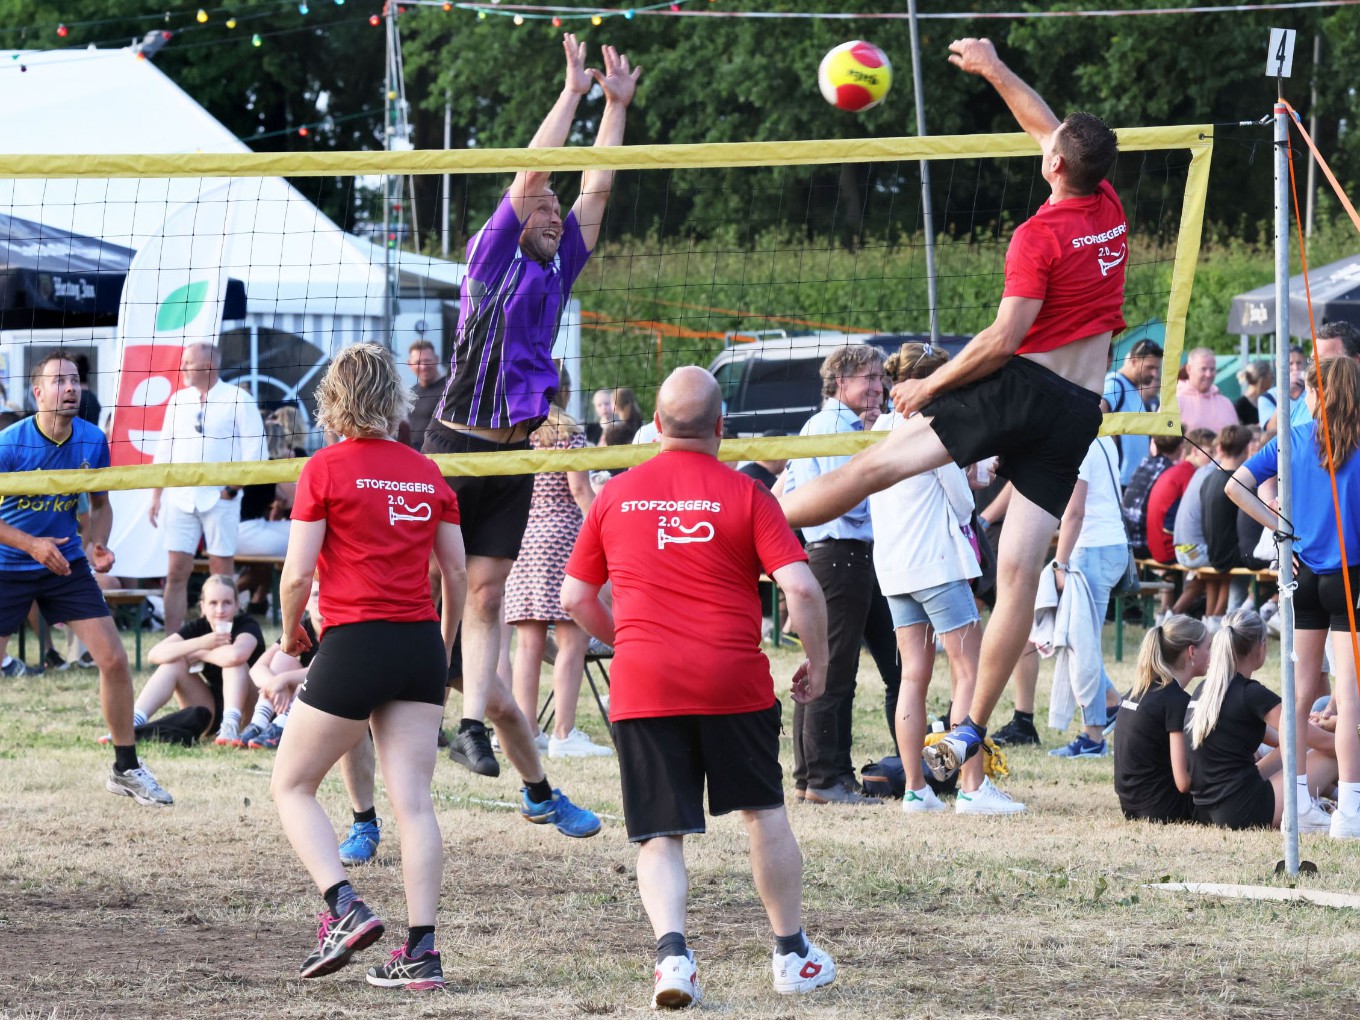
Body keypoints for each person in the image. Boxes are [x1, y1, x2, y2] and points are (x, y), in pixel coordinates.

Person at [781, 38, 1126, 785]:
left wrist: (928, 388)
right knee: (1018, 572)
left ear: (1057, 167)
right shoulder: (1107, 203)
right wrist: (995, 69)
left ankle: (760, 526)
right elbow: (1046, 126)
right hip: (1078, 410)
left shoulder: (1039, 235)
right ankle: (970, 729)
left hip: (1021, 389)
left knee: (873, 466)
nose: (1046, 141)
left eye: (1052, 146)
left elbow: (1004, 339)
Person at [560, 366, 837, 1008]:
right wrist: (816, 663)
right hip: (731, 680)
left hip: (643, 681)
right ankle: (791, 954)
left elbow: (575, 597)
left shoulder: (615, 494)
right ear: (721, 427)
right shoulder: (747, 493)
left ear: (655, 425)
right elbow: (800, 586)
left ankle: (673, 960)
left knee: (660, 833)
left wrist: (625, 636)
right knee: (764, 814)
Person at [420, 35, 639, 786]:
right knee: (429, 587)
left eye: (555, 207)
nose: (552, 210)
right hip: (453, 444)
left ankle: (471, 726)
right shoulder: (493, 256)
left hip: (514, 455)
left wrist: (615, 108)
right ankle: (408, 690)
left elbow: (597, 191)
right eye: (542, 204)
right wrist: (574, 94)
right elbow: (534, 171)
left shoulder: (560, 264)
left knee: (487, 592)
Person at [269, 343, 467, 989]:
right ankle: (423, 953)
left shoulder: (323, 468)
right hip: (417, 645)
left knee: (291, 785)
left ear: (333, 399)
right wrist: (443, 640)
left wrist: (289, 635)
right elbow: (456, 571)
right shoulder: (425, 471)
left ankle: (343, 907)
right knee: (413, 802)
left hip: (355, 641)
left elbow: (298, 573)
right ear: (395, 399)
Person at [0, 351, 172, 805]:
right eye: (59, 381)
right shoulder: (11, 443)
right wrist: (33, 546)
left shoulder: (94, 440)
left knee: (114, 660)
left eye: (75, 380)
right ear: (37, 393)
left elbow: (99, 506)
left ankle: (126, 768)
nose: (71, 388)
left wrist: (96, 545)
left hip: (67, 564)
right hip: (9, 563)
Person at [868, 343, 1020, 814]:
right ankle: (973, 788)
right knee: (968, 672)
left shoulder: (880, 424)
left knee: (912, 676)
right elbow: (961, 502)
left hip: (893, 566)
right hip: (935, 562)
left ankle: (916, 789)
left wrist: (965, 471)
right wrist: (972, 474)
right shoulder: (933, 421)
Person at [1230, 356, 1360, 839]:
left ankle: (1302, 799)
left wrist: (1282, 531)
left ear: (1315, 394)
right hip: (1347, 578)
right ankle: (1348, 809)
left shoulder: (1295, 439)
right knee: (1346, 697)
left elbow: (1235, 485)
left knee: (1303, 694)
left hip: (1305, 575)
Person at [783, 344, 887, 806]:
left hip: (831, 556)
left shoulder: (825, 424)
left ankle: (812, 777)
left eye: (880, 378)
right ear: (840, 382)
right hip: (840, 555)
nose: (878, 387)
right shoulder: (837, 428)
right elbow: (855, 500)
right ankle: (827, 779)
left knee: (822, 666)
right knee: (834, 669)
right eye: (868, 377)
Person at [504, 369, 609, 757]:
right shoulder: (568, 432)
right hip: (562, 536)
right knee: (572, 638)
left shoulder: (517, 432)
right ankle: (564, 733)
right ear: (563, 388)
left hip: (522, 539)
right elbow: (580, 490)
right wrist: (605, 533)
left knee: (528, 642)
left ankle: (528, 732)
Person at [149, 342, 268, 634]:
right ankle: (172, 645)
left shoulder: (238, 399)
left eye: (188, 362)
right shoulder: (178, 400)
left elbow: (257, 453)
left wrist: (231, 490)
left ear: (208, 366)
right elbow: (164, 450)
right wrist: (156, 496)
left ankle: (223, 639)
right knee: (176, 572)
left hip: (220, 498)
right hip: (181, 496)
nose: (182, 368)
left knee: (222, 574)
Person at [1186, 609, 1334, 830]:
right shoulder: (1251, 694)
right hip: (1246, 810)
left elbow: (1285, 740)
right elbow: (1323, 743)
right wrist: (1348, 734)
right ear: (1260, 647)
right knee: (1335, 755)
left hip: (1209, 809)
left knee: (1296, 746)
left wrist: (1309, 728)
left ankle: (1337, 797)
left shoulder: (1206, 689)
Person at [1045, 434, 1128, 758]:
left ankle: (1094, 736)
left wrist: (1059, 562)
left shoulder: (1078, 443)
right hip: (1112, 546)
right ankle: (1114, 704)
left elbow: (1074, 512)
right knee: (1084, 644)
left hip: (1092, 549)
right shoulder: (1104, 437)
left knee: (1083, 647)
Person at [127, 573, 265, 744]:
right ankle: (133, 722)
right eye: (213, 603)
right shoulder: (199, 628)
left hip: (250, 711)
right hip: (210, 711)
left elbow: (237, 655)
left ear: (237, 605)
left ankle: (231, 724)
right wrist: (200, 642)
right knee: (173, 662)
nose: (220, 610)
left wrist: (202, 653)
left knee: (233, 662)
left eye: (227, 603)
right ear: (203, 607)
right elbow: (154, 654)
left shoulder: (246, 624)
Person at [1113, 616, 1208, 823]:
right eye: (1208, 647)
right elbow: (1183, 782)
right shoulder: (1175, 701)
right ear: (1192, 652)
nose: (1211, 654)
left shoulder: (1138, 690)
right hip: (1162, 809)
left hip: (1131, 805)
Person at [1198, 424, 1253, 629]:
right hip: (1231, 557)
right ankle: (1235, 619)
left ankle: (1219, 619)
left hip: (1213, 553)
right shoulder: (1238, 483)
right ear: (1248, 448)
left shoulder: (1209, 478)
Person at [1101, 338, 1163, 485]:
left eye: (1157, 368)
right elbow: (1097, 412)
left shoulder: (1133, 389)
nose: (1154, 374)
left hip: (1131, 481)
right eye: (1150, 367)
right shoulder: (1115, 384)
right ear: (1134, 361)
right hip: (1117, 480)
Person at [1120, 433, 1181, 559]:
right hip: (1142, 544)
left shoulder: (1144, 464)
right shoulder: (1169, 471)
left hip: (1125, 539)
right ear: (1180, 446)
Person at [1176, 348, 1238, 435]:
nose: (1208, 374)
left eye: (1212, 369)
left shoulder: (1225, 403)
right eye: (1203, 369)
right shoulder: (1175, 401)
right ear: (1189, 369)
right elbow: (1162, 441)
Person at [405, 339, 446, 452]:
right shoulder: (412, 392)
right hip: (414, 456)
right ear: (409, 364)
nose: (423, 366)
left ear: (436, 360)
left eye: (427, 361)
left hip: (439, 457)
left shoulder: (449, 390)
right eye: (418, 362)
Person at [1234, 359, 1274, 426]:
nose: (1272, 381)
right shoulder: (1241, 405)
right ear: (1262, 380)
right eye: (1271, 377)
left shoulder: (1269, 399)